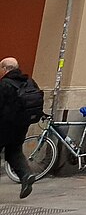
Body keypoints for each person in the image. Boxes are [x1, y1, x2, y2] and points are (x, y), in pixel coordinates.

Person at [0, 57, 40, 199]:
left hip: (4, 126)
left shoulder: (5, 84)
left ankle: (26, 176)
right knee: (14, 152)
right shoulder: (29, 81)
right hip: (22, 125)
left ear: (4, 69)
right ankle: (26, 175)